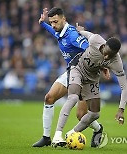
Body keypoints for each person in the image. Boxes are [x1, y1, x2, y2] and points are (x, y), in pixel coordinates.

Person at [32, 7, 108, 148]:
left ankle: (98, 129)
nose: (53, 25)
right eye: (51, 22)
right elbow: (52, 31)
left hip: (85, 76)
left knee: (81, 116)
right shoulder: (59, 31)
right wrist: (43, 23)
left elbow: (91, 50)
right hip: (70, 72)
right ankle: (46, 137)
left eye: (55, 22)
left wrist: (103, 66)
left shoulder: (72, 35)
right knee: (49, 97)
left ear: (64, 19)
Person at [53, 23, 127, 147]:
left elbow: (124, 87)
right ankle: (57, 136)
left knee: (95, 114)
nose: (106, 57)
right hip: (78, 69)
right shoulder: (96, 39)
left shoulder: (117, 62)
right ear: (104, 45)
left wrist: (121, 109)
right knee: (73, 97)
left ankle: (71, 133)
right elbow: (85, 34)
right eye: (106, 52)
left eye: (110, 56)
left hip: (92, 78)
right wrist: (80, 30)